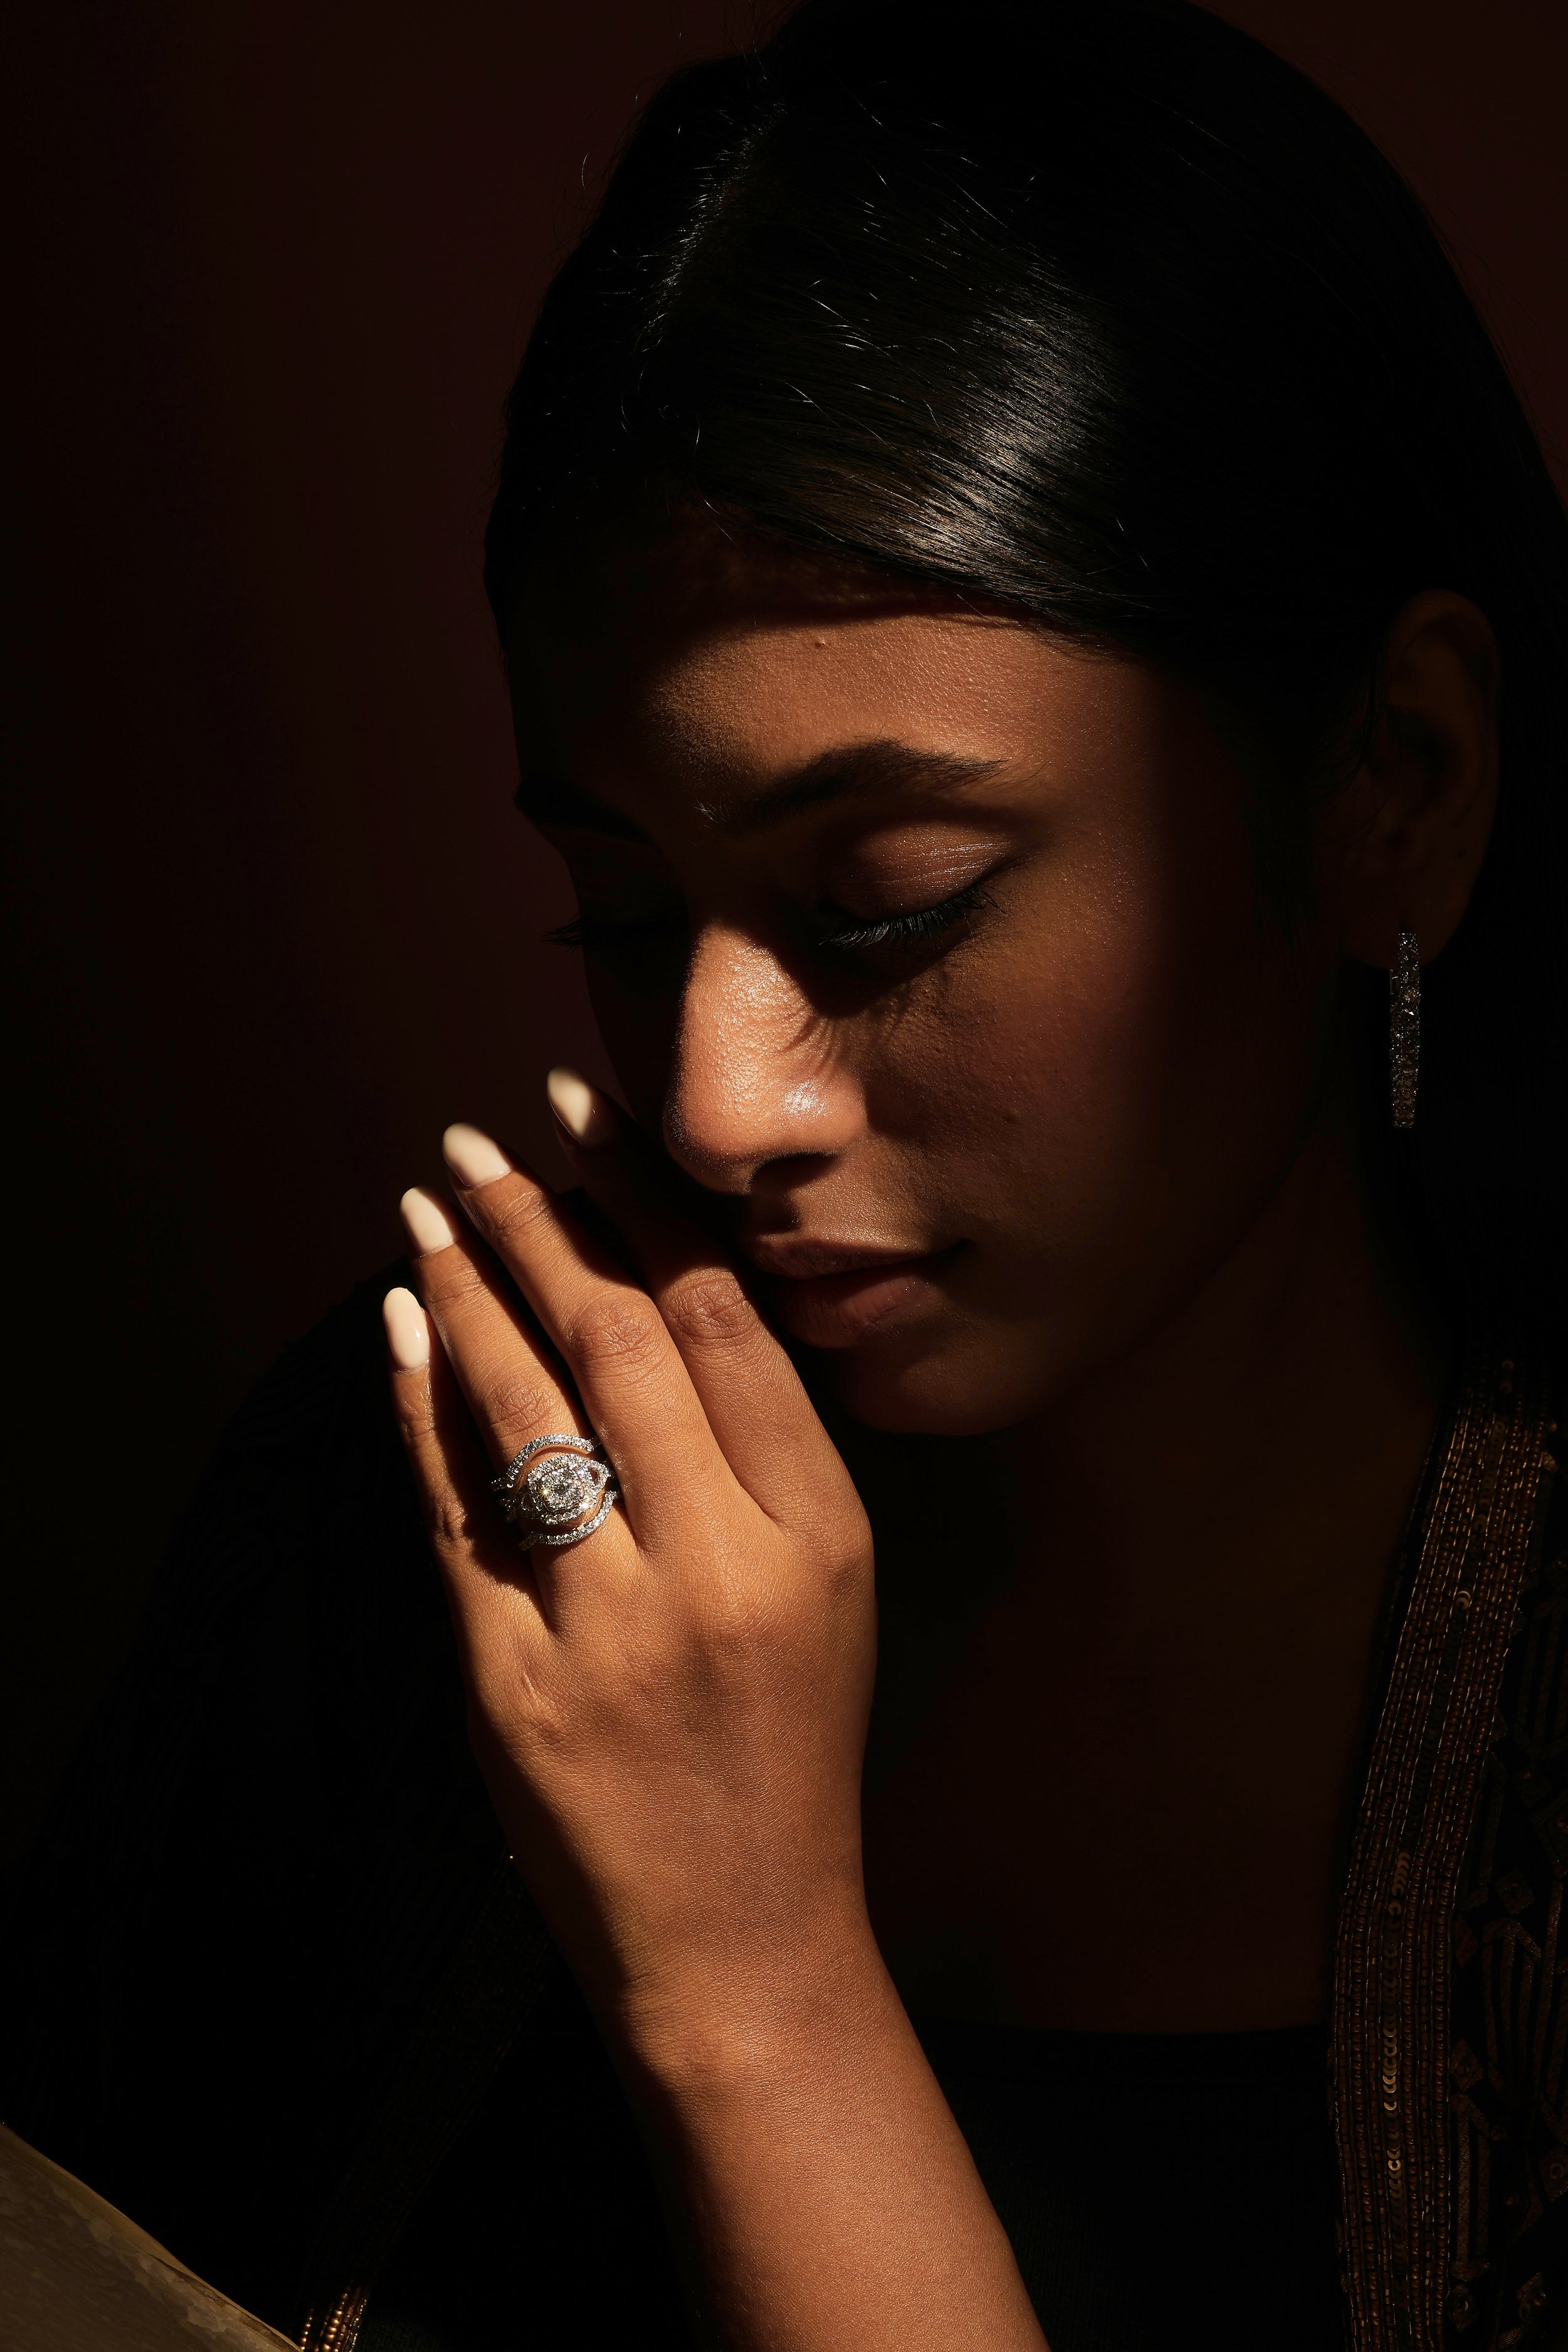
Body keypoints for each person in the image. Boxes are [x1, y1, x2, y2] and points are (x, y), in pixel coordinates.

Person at [5, 1, 1566, 2346]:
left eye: (883, 905)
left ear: (1393, 783)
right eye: (623, 909)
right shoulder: (412, 1526)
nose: (717, 1101)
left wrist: (749, 1990)